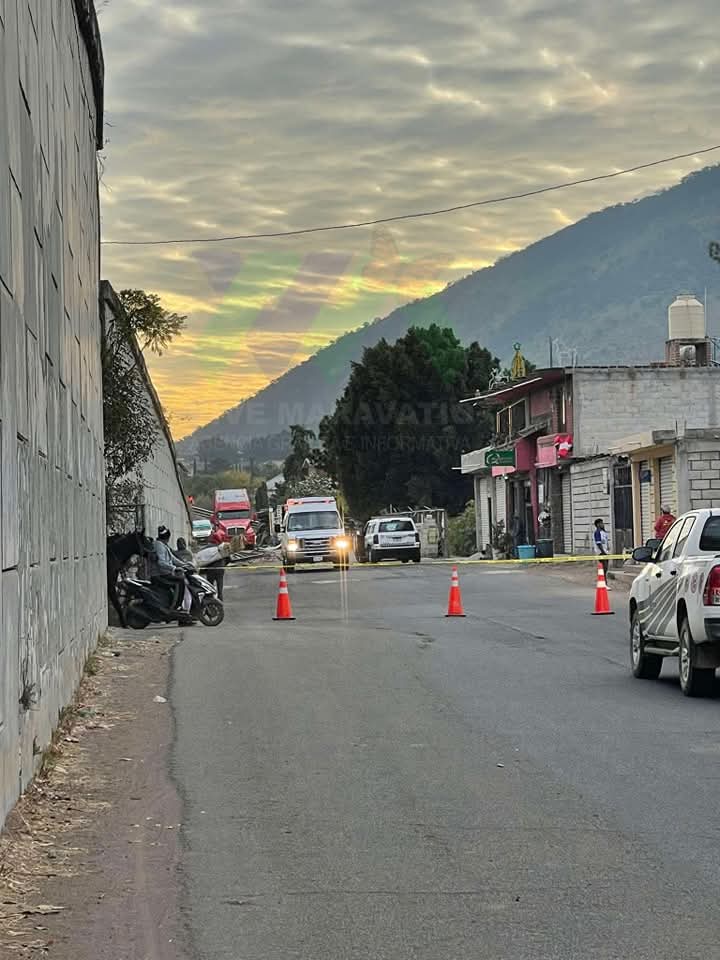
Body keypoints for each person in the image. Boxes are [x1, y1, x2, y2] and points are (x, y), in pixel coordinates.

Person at [149, 526, 193, 620]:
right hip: (159, 575)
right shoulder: (159, 546)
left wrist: (184, 565)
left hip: (163, 573)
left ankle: (176, 606)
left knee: (180, 580)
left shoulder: (163, 545)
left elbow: (172, 558)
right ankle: (175, 608)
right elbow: (161, 562)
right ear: (167, 537)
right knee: (180, 582)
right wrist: (174, 568)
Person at [593, 518, 610, 583]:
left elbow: (606, 542)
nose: (603, 524)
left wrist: (607, 549)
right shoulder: (597, 532)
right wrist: (603, 552)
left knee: (606, 568)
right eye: (601, 523)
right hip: (601, 552)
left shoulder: (604, 532)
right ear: (598, 525)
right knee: (604, 567)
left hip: (606, 552)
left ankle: (603, 581)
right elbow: (599, 544)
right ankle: (604, 582)